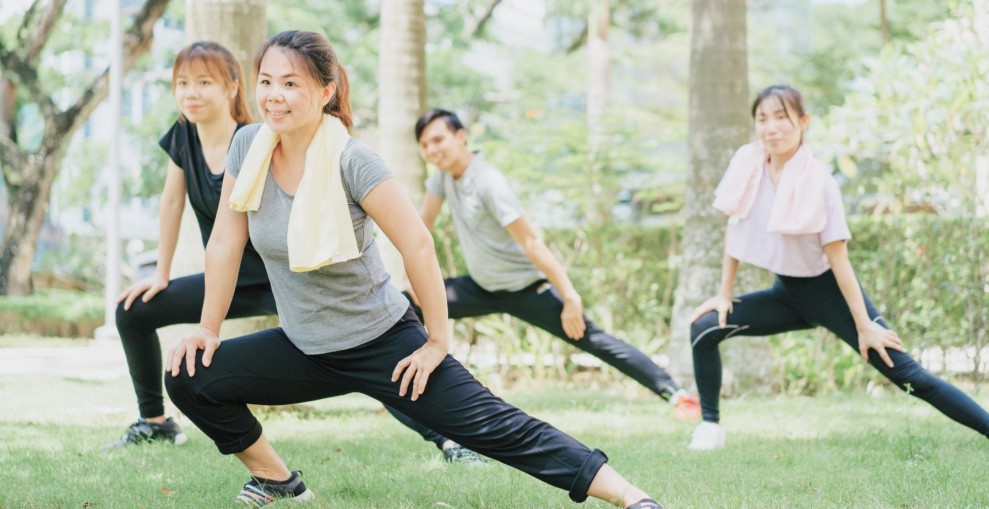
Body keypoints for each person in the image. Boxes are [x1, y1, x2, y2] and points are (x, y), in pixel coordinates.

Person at [163, 30, 663, 509]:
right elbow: (226, 241)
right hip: (304, 345)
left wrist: (437, 343)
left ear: (326, 90)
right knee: (190, 377)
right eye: (267, 81)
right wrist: (207, 330)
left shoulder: (354, 161)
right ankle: (279, 482)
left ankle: (631, 495)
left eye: (291, 83)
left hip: (383, 342)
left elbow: (418, 246)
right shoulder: (248, 147)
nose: (274, 95)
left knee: (497, 427)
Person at [686, 84, 989, 450]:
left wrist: (865, 327)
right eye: (762, 119)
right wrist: (723, 295)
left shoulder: (819, 181)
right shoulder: (749, 165)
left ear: (803, 121)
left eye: (781, 117)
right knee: (705, 327)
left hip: (831, 293)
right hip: (787, 294)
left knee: (909, 376)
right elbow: (735, 229)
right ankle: (710, 427)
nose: (771, 128)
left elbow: (838, 257)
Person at [382, 109, 699, 452]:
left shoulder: (489, 181)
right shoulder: (443, 178)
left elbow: (531, 242)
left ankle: (675, 394)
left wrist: (570, 297)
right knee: (403, 305)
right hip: (480, 288)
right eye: (425, 144)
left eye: (438, 139)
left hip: (526, 291)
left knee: (592, 339)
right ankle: (395, 382)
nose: (432, 149)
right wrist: (409, 277)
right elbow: (420, 227)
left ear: (461, 137)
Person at [106, 41, 273, 449]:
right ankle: (156, 422)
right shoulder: (182, 135)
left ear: (233, 87)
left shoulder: (254, 140)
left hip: (279, 279)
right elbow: (171, 201)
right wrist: (160, 274)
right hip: (226, 282)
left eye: (203, 82)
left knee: (352, 342)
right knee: (133, 312)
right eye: (182, 83)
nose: (190, 93)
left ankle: (442, 432)